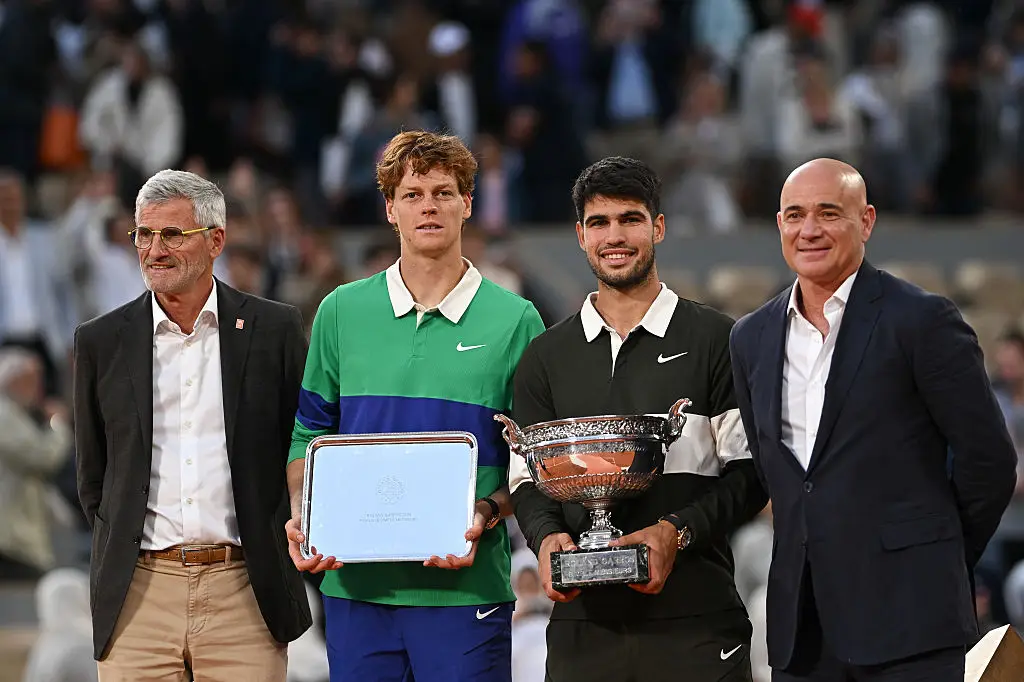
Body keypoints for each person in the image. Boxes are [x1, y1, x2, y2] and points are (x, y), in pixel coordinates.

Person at [728, 158, 1018, 681]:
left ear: (866, 221)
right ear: (778, 225)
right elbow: (780, 475)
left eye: (828, 213)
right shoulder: (749, 338)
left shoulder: (922, 320)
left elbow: (989, 461)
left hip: (912, 622)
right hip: (804, 631)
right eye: (795, 215)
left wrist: (935, 556)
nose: (809, 229)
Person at [284, 130, 546, 682]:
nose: (429, 205)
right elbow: (308, 436)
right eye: (413, 193)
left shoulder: (516, 320)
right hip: (356, 591)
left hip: (466, 591)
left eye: (444, 192)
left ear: (468, 204)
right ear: (390, 210)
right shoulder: (339, 312)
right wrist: (305, 513)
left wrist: (488, 512)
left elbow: (534, 462)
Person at [509, 156, 768, 682]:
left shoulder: (718, 339)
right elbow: (525, 478)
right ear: (580, 235)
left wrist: (676, 534)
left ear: (659, 227)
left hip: (696, 620)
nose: (615, 236)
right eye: (599, 223)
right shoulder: (544, 356)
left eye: (630, 219)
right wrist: (546, 540)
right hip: (583, 626)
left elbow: (749, 475)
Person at [73, 169, 312, 681]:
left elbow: (303, 446)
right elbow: (94, 479)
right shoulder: (100, 341)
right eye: (144, 234)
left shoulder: (275, 329)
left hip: (245, 593)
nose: (154, 249)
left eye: (172, 234)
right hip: (136, 597)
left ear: (216, 240)